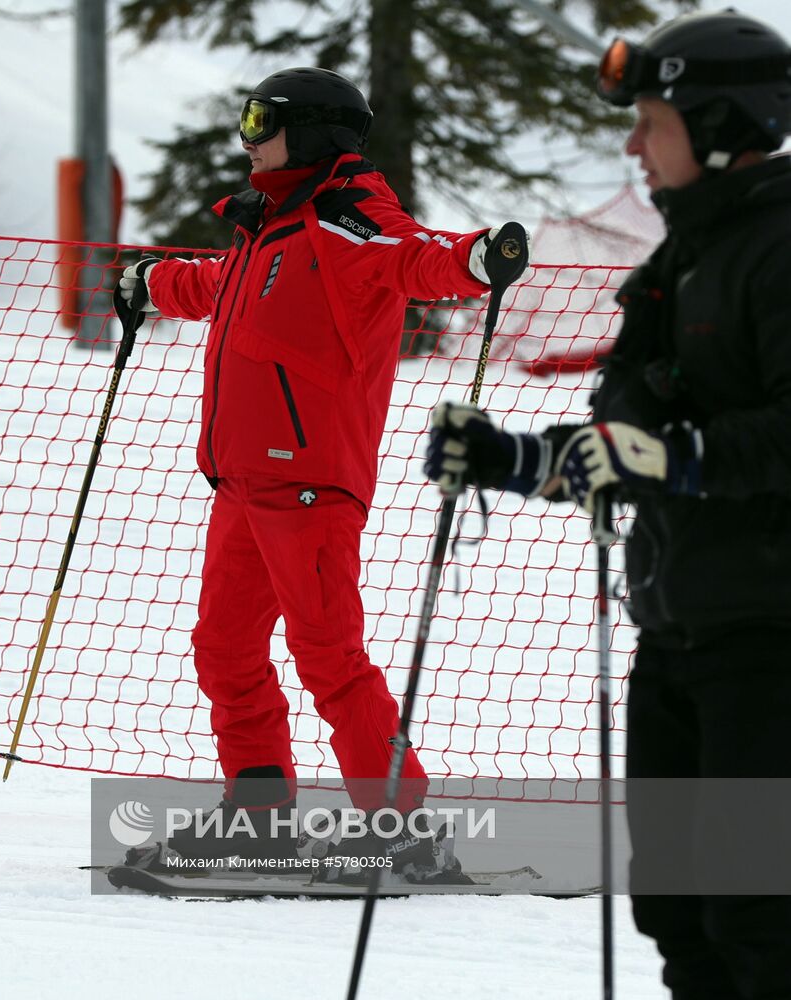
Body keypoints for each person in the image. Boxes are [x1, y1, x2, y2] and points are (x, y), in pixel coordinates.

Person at [425, 9, 791, 995]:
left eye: (651, 120)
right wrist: (507, 457)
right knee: (678, 910)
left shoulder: (776, 249)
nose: (632, 143)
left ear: (720, 123)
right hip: (677, 638)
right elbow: (615, 451)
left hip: (767, 647)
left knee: (761, 918)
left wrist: (673, 456)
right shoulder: (672, 265)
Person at [116, 66, 519, 878]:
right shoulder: (272, 222)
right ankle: (258, 816)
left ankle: (402, 829)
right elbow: (219, 285)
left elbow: (416, 260)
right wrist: (151, 283)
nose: (249, 135)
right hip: (242, 480)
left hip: (307, 480)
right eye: (247, 114)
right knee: (224, 648)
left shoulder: (347, 216)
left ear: (312, 132)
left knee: (327, 653)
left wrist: (477, 260)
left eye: (263, 118)